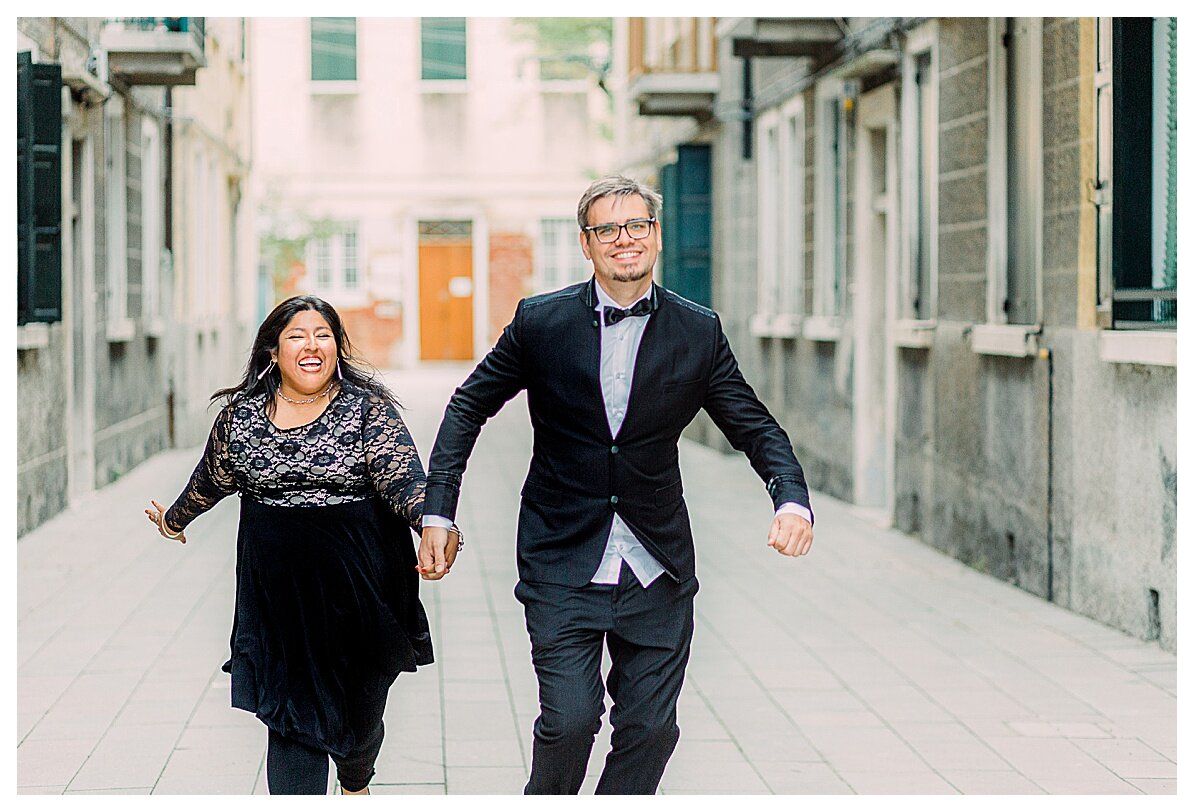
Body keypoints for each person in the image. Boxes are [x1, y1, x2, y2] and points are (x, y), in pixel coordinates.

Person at [417, 175, 814, 794]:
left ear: (655, 236)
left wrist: (790, 498)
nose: (624, 239)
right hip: (561, 557)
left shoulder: (697, 331)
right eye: (608, 229)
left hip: (656, 565)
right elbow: (468, 406)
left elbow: (754, 425)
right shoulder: (541, 323)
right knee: (570, 723)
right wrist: (437, 513)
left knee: (653, 732)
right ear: (587, 243)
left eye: (637, 226)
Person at [144, 295, 453, 795]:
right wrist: (174, 519)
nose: (312, 346)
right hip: (278, 596)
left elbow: (405, 484)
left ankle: (355, 778)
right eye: (297, 336)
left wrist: (436, 526)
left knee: (360, 713)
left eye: (323, 335)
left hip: (363, 587)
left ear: (337, 346)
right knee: (291, 720)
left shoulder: (366, 411)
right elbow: (211, 478)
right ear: (272, 350)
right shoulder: (241, 417)